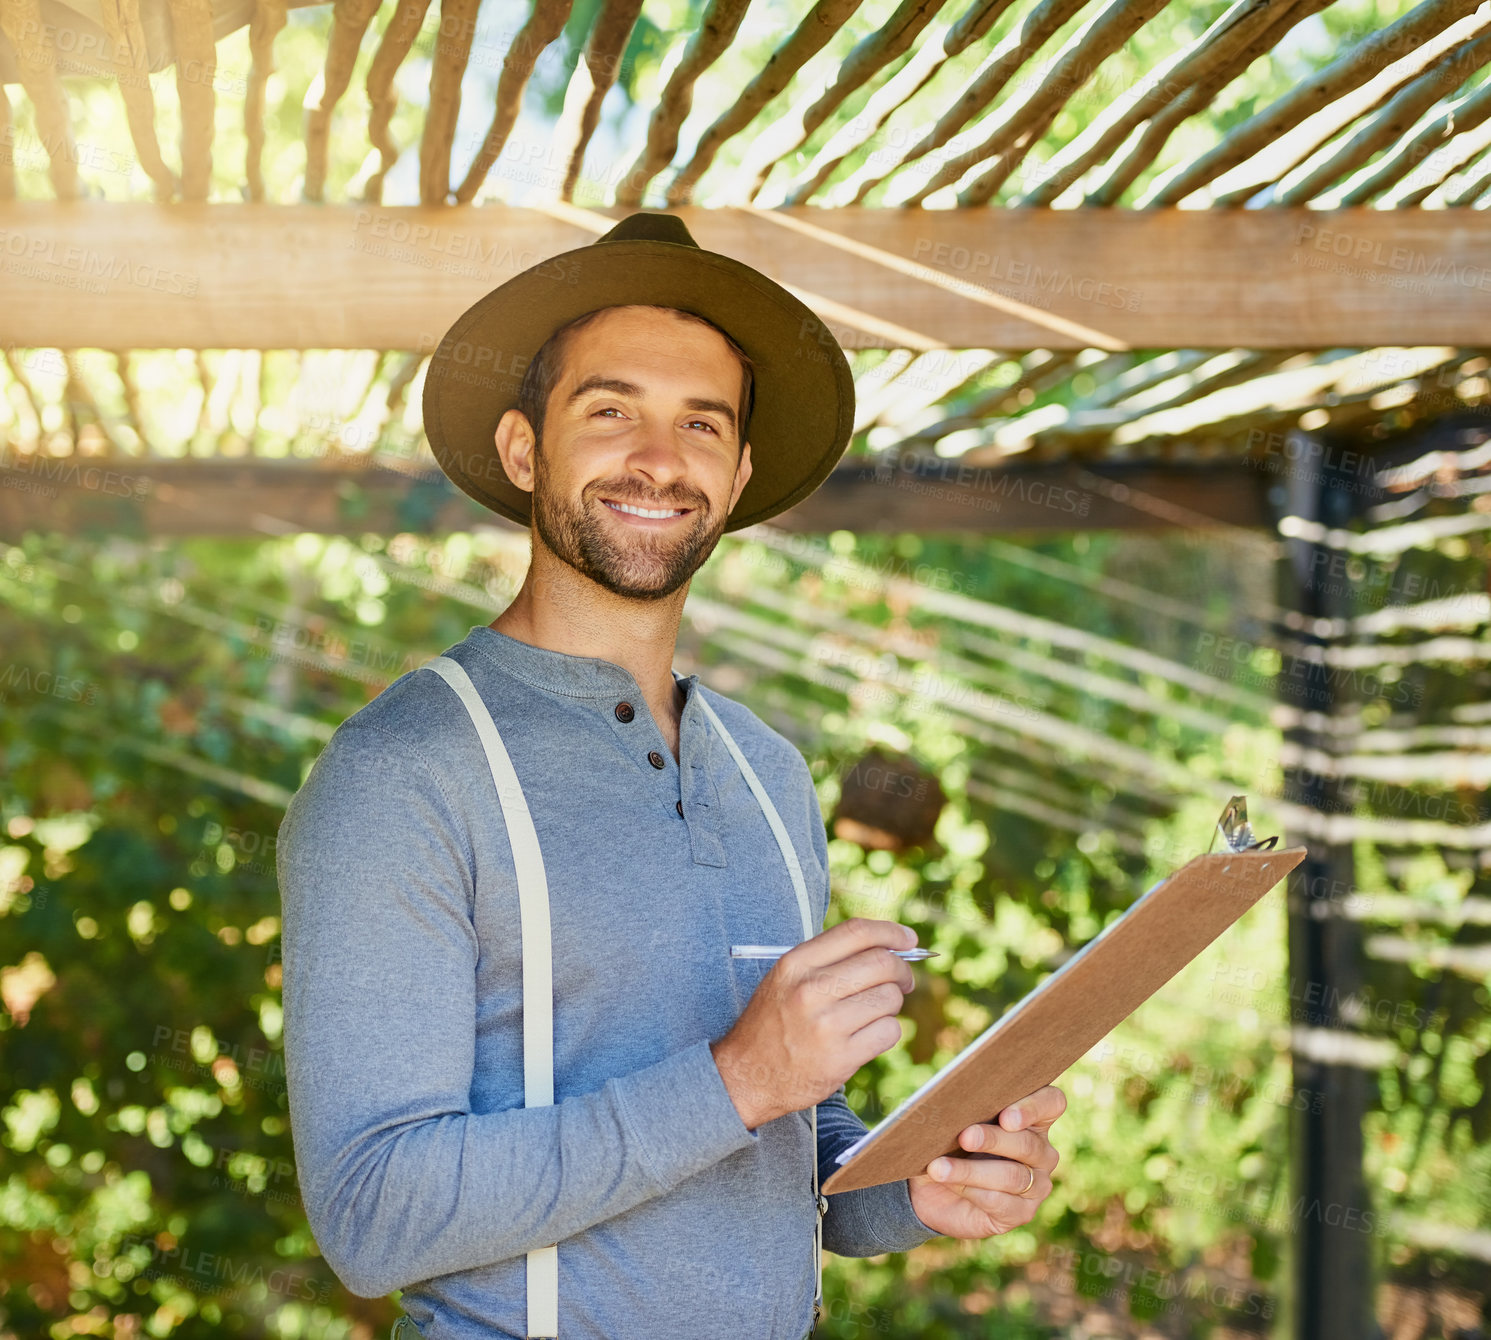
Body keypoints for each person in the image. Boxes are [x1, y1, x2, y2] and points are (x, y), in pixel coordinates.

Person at [277, 212, 1065, 1340]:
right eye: (612, 411)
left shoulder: (772, 772)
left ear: (739, 472)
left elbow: (793, 1129)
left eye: (701, 422)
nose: (660, 458)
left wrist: (915, 1184)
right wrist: (739, 1076)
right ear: (521, 449)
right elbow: (373, 1214)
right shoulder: (402, 771)